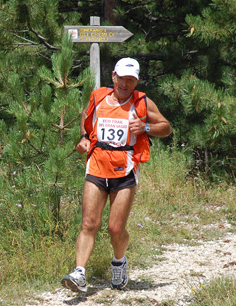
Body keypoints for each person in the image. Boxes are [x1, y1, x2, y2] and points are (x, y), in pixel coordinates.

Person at [61, 57, 171, 293]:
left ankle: (119, 262)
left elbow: (166, 126)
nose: (125, 84)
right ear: (113, 76)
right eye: (121, 78)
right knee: (89, 223)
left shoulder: (142, 102)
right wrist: (83, 138)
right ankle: (79, 273)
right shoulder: (98, 97)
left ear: (136, 81)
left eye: (130, 80)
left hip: (126, 168)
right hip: (97, 164)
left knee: (115, 228)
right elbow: (86, 117)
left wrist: (146, 128)